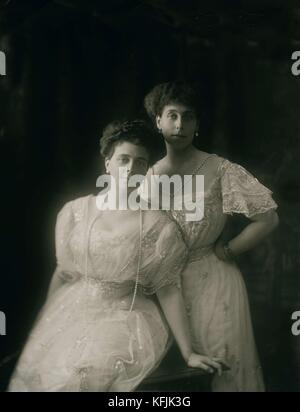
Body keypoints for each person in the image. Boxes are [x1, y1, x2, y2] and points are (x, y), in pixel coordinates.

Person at [8, 119, 222, 392]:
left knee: (85, 377)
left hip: (126, 317)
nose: (130, 169)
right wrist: (43, 328)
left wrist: (188, 352)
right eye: (123, 159)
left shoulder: (158, 225)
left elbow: (168, 289)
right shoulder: (75, 212)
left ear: (147, 171)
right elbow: (63, 273)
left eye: (140, 163)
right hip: (72, 310)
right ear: (107, 163)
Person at [143, 82, 279, 392]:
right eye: (172, 116)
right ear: (158, 122)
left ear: (198, 124)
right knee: (179, 381)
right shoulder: (148, 177)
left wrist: (229, 250)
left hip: (215, 282)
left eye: (188, 117)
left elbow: (268, 218)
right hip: (166, 288)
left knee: (223, 370)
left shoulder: (219, 169)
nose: (180, 125)